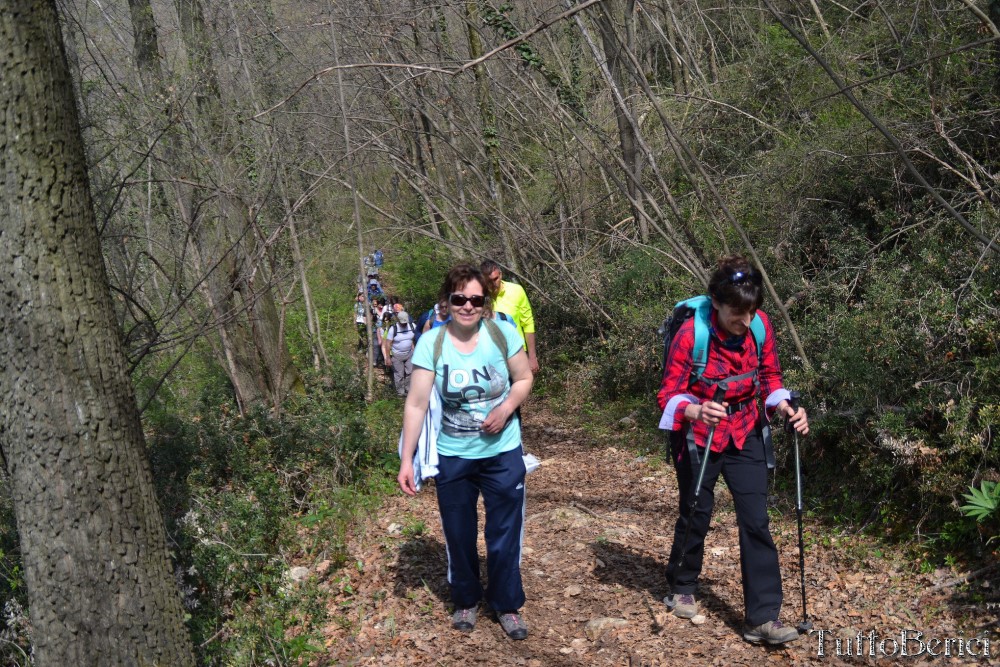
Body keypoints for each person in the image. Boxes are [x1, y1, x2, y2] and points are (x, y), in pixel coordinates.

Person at [656, 255, 809, 646]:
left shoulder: (758, 325)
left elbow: (770, 378)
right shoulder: (692, 334)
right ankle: (682, 584)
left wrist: (786, 406)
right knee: (696, 509)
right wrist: (693, 408)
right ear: (716, 303)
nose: (745, 322)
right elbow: (667, 395)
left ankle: (762, 618)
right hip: (699, 434)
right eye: (736, 314)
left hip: (745, 430)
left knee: (756, 520)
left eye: (751, 312)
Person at [398, 264, 534, 640]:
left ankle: (506, 604)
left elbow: (524, 379)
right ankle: (466, 600)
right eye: (460, 299)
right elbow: (416, 404)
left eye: (476, 299)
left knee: (505, 532)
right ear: (446, 302)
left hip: (502, 452)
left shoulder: (503, 333)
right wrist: (407, 460)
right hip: (453, 454)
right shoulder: (432, 344)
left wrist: (504, 410)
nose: (468, 306)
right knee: (458, 532)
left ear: (485, 302)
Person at [480, 260, 538, 373]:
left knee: (522, 388)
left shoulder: (516, 291)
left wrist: (532, 357)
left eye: (495, 279)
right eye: (489, 281)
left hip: (517, 353)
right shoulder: (478, 297)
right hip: (490, 357)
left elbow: (528, 324)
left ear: (500, 274)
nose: (493, 283)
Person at [383, 311, 417, 396]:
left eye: (405, 322)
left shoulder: (412, 326)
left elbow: (414, 339)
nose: (404, 324)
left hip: (409, 354)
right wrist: (387, 357)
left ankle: (409, 390)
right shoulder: (393, 329)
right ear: (398, 320)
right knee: (399, 374)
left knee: (410, 372)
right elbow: (388, 343)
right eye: (402, 323)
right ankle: (400, 392)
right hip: (397, 355)